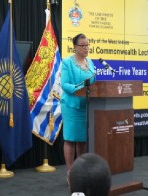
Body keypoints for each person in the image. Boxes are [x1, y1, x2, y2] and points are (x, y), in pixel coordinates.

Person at [60, 33, 96, 183]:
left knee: (82, 140)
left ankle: (80, 171)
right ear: (75, 47)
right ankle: (70, 173)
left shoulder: (91, 62)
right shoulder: (67, 62)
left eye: (87, 45)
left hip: (86, 106)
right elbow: (65, 84)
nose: (86, 48)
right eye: (83, 45)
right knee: (71, 139)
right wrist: (79, 88)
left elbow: (94, 82)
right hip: (71, 106)